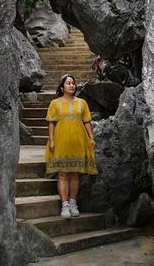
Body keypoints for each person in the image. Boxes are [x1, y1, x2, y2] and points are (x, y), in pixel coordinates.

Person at [44, 73, 97, 218]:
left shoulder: (82, 103)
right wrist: (51, 140)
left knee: (75, 173)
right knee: (62, 173)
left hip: (78, 141)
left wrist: (91, 137)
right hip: (61, 141)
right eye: (68, 83)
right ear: (62, 87)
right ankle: (64, 205)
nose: (72, 85)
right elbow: (51, 122)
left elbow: (87, 121)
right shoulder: (55, 103)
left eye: (73, 83)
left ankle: (73, 203)